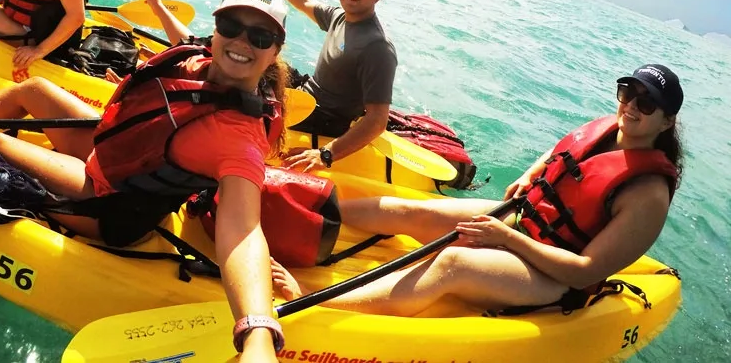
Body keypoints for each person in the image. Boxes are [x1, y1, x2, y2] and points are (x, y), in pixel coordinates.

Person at [0, 0, 297, 363]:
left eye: (260, 36)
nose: (242, 41)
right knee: (34, 90)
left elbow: (242, 228)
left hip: (110, 201)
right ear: (216, 30)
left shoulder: (240, 138)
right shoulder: (198, 62)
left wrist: (257, 330)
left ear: (275, 50)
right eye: (232, 25)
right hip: (111, 155)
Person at [269, 64, 685, 317]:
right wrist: (529, 175)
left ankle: (313, 298)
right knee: (407, 210)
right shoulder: (610, 130)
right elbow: (561, 152)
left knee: (453, 262)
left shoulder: (648, 194)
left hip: (551, 275)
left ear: (666, 122)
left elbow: (585, 271)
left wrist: (502, 236)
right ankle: (291, 208)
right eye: (628, 92)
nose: (630, 106)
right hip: (523, 219)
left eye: (647, 104)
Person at [247, 0, 397, 172]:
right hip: (307, 96)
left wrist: (326, 153)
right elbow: (305, 1)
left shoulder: (377, 47)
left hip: (324, 118)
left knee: (248, 102)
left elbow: (377, 119)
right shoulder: (340, 17)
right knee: (259, 56)